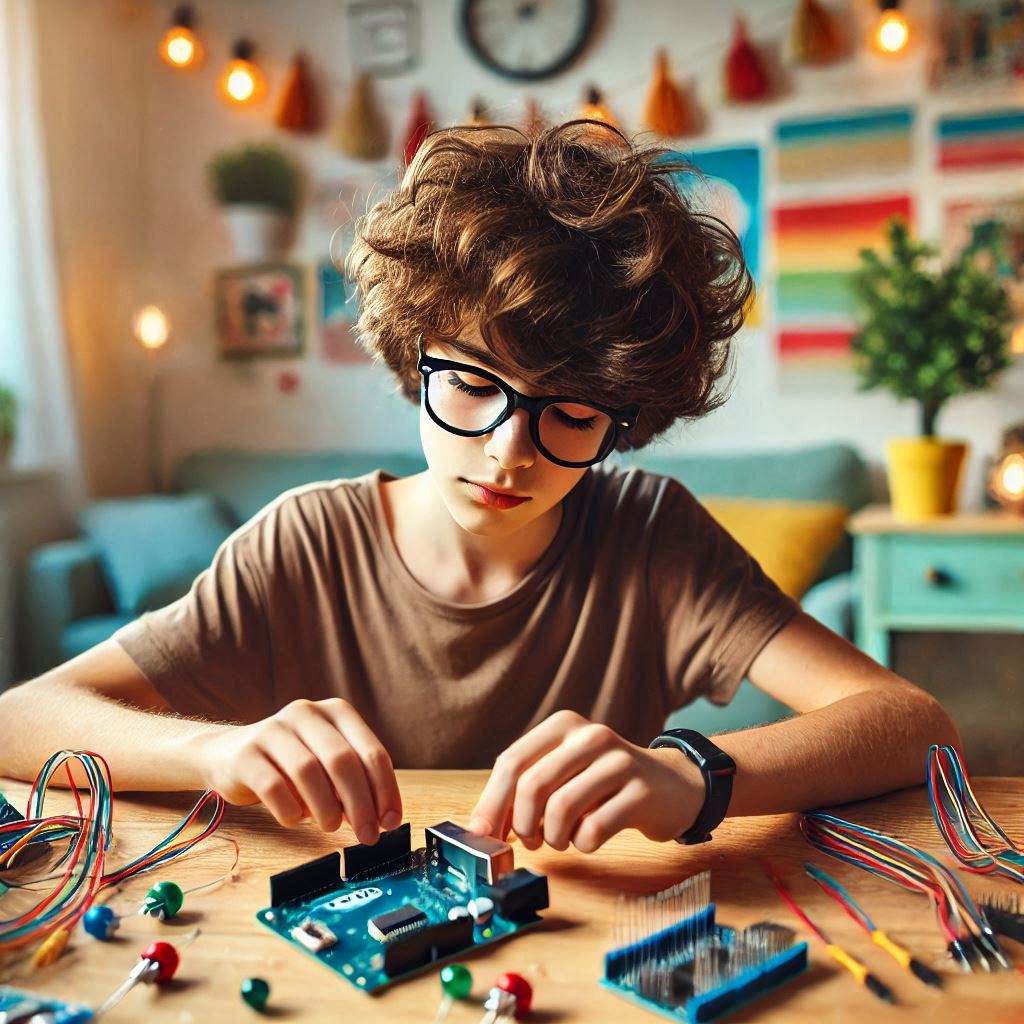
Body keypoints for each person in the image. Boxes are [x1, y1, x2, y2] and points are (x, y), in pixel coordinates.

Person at [0, 122, 959, 854]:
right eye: (471, 383)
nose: (508, 453)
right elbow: (18, 718)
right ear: (410, 357)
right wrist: (214, 752)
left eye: (572, 412)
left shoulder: (652, 535)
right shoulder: (306, 542)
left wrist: (689, 776)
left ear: (629, 416)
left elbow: (916, 725)